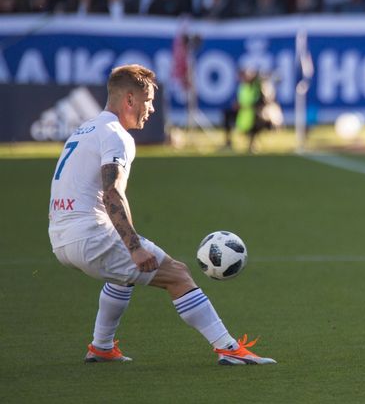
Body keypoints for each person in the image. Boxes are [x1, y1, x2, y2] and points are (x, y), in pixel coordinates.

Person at [48, 64, 276, 366]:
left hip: (61, 237)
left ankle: (102, 347)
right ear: (130, 99)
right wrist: (135, 247)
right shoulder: (116, 135)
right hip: (90, 235)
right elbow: (112, 192)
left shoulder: (85, 128)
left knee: (123, 276)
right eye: (148, 100)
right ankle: (228, 348)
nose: (152, 108)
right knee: (178, 274)